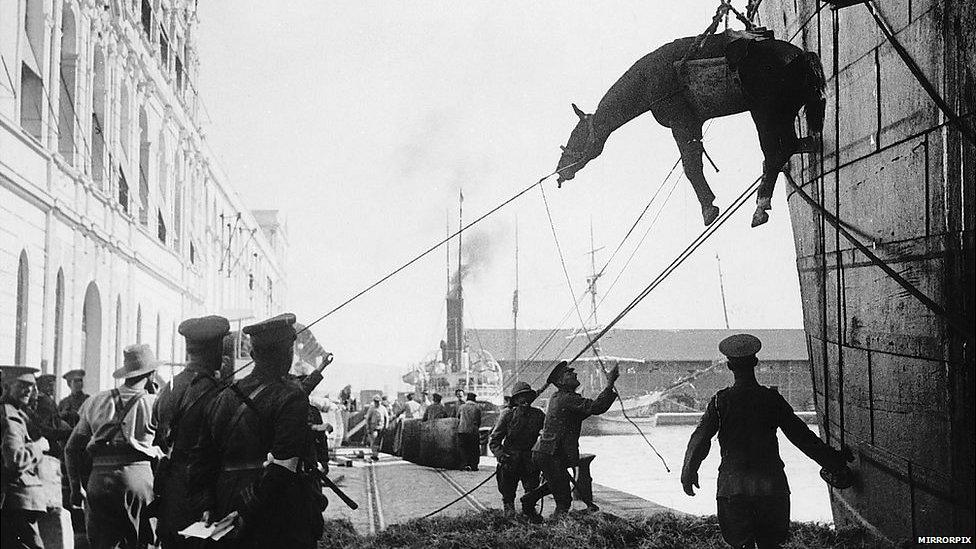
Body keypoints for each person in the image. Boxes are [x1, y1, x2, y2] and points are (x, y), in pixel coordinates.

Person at [681, 334, 854, 549]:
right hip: (771, 488)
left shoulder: (720, 402)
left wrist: (689, 470)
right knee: (771, 544)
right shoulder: (771, 400)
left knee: (741, 545)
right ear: (755, 363)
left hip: (733, 488)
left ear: (729, 366)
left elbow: (700, 438)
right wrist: (835, 462)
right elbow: (802, 438)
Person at [188, 313, 322, 549]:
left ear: (253, 354)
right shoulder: (292, 397)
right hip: (275, 513)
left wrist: (206, 505)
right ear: (288, 353)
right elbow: (282, 468)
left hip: (224, 506)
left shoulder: (223, 397)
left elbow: (201, 459)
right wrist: (244, 510)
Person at [65, 344, 163, 549]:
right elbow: (167, 447)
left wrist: (76, 487)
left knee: (103, 543)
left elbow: (72, 448)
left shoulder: (96, 400)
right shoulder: (154, 403)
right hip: (138, 479)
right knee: (141, 542)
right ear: (151, 374)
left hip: (100, 480)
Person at [152, 315, 229, 548]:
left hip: (170, 487)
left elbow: (159, 436)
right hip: (203, 490)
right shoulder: (216, 392)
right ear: (215, 349)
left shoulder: (168, 388)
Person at [520, 361, 619, 522]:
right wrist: (609, 384)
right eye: (568, 373)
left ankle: (529, 500)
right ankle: (557, 529)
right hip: (551, 453)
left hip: (546, 451)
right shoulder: (566, 399)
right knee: (564, 501)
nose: (575, 374)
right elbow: (596, 407)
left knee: (558, 482)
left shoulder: (559, 397)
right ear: (560, 382)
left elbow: (584, 412)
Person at [1, 365, 52, 549]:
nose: (28, 389)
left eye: (31, 385)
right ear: (6, 386)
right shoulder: (10, 417)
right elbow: (15, 459)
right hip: (16, 500)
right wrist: (39, 446)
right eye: (22, 384)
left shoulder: (16, 413)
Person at [489, 382, 545, 512]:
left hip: (530, 461)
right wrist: (501, 455)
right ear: (515, 400)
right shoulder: (508, 415)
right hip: (510, 460)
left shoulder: (538, 415)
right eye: (521, 397)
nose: (525, 400)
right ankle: (509, 517)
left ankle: (530, 514)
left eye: (527, 396)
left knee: (531, 492)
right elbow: (494, 441)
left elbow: (547, 435)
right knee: (508, 494)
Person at [456, 393, 482, 471]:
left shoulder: (462, 407)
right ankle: (474, 466)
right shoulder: (477, 408)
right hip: (473, 431)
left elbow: (457, 418)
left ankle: (463, 464)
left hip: (462, 430)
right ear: (474, 399)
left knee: (463, 448)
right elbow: (478, 420)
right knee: (474, 449)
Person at [365, 395, 388, 461]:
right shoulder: (372, 408)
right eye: (375, 401)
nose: (377, 403)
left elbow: (386, 417)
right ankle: (374, 454)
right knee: (374, 440)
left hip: (381, 426)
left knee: (379, 441)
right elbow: (368, 418)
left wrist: (386, 427)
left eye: (378, 401)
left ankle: (376, 453)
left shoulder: (383, 408)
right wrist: (368, 428)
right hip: (374, 427)